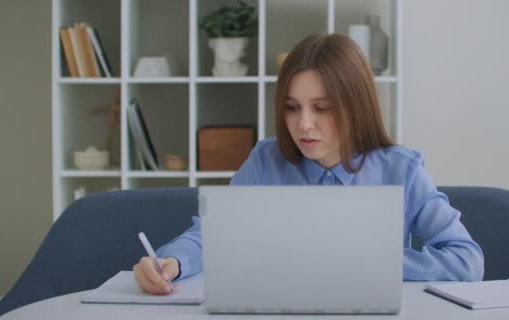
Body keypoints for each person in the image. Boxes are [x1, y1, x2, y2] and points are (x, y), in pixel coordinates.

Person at [133, 33, 485, 295]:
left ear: (355, 106)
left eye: (321, 108)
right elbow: (210, 235)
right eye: (291, 107)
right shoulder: (265, 161)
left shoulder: (402, 170)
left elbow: (466, 260)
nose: (303, 124)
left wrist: (375, 265)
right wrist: (173, 262)